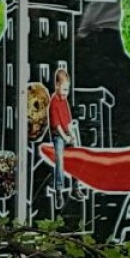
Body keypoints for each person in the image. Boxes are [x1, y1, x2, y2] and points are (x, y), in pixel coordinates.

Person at [49, 66, 76, 198]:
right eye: (64, 89)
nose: (66, 92)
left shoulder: (64, 101)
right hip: (58, 136)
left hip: (65, 133)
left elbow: (68, 121)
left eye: (67, 89)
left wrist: (72, 136)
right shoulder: (54, 102)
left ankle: (75, 187)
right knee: (60, 159)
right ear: (57, 86)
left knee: (76, 155)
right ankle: (59, 189)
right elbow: (57, 126)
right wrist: (66, 138)